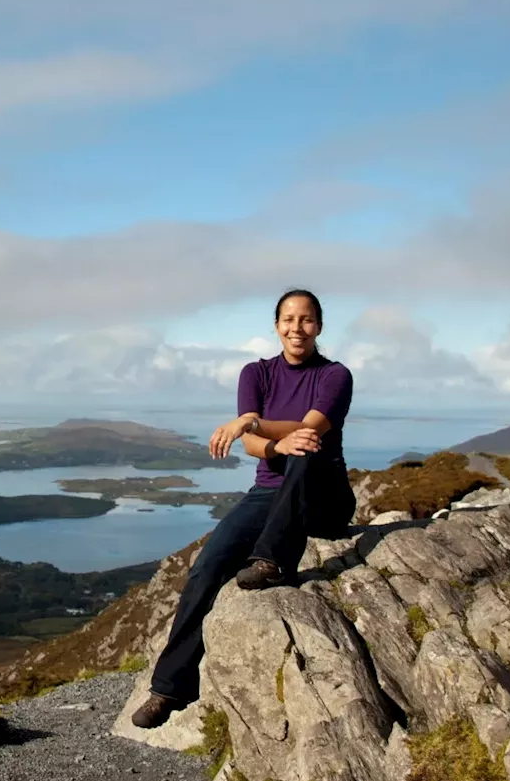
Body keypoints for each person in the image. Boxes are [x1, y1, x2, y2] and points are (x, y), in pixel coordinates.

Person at [130, 288, 356, 729]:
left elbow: (309, 428)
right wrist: (268, 438)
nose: (297, 328)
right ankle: (170, 688)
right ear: (276, 326)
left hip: (323, 493)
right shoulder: (257, 373)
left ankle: (274, 561)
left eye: (306, 320)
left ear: (319, 327)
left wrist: (251, 423)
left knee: (307, 448)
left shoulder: (335, 376)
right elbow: (255, 446)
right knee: (207, 565)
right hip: (268, 492)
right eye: (288, 319)